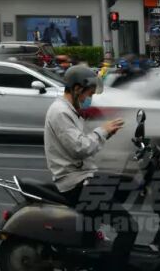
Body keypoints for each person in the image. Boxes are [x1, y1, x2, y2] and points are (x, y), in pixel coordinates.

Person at [44, 65, 131, 270]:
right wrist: (103, 131)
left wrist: (105, 131)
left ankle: (90, 228)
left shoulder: (71, 110)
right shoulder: (60, 112)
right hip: (75, 182)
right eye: (88, 94)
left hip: (84, 175)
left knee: (129, 183)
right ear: (76, 89)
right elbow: (80, 148)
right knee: (129, 228)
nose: (89, 99)